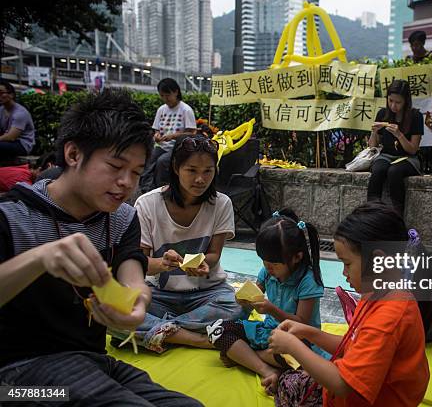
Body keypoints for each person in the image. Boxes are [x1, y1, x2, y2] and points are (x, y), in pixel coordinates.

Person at [0, 89, 202, 406]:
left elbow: (133, 276)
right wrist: (39, 258)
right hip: (16, 380)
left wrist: (137, 304)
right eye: (115, 166)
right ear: (73, 154)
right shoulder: (11, 216)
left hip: (94, 360)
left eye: (136, 172)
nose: (127, 183)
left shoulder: (121, 218)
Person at [268, 202, 430, 407]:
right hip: (356, 391)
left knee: (290, 388)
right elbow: (352, 346)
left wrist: (293, 346)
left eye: (347, 263)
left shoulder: (390, 315)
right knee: (287, 383)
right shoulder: (376, 293)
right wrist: (307, 332)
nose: (344, 273)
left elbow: (344, 384)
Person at [111, 134, 243, 353]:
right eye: (192, 170)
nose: (200, 179)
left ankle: (161, 330)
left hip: (206, 294)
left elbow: (214, 255)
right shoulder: (147, 204)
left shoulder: (221, 203)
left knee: (237, 307)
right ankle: (196, 338)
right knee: (114, 306)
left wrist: (203, 263)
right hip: (158, 294)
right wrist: (163, 263)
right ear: (175, 167)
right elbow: (139, 262)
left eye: (207, 171)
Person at [208, 209, 324, 395]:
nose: (268, 267)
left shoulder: (307, 281)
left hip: (296, 340)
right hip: (266, 334)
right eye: (264, 261)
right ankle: (267, 370)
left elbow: (301, 323)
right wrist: (243, 299)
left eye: (275, 264)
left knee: (295, 357)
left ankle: (243, 357)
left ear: (297, 257)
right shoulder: (268, 271)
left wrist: (271, 310)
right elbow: (254, 293)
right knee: (217, 330)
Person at [367, 79, 424, 214]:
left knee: (394, 172)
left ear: (406, 101)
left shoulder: (416, 116)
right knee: (378, 170)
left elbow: (413, 149)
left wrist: (399, 135)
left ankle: (397, 215)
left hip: (408, 158)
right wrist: (374, 132)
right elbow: (372, 146)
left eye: (398, 102)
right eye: (390, 100)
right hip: (386, 156)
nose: (393, 106)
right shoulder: (383, 114)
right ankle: (370, 211)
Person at [140, 78, 197, 192]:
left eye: (168, 95)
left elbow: (192, 133)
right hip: (161, 146)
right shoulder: (161, 110)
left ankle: (162, 189)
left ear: (176, 92)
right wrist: (156, 136)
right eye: (162, 96)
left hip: (179, 147)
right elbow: (156, 130)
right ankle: (146, 190)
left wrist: (173, 136)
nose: (165, 99)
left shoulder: (186, 110)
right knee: (148, 158)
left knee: (162, 161)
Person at [0, 79, 36, 160]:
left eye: (1, 93)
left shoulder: (20, 113)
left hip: (22, 144)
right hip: (7, 142)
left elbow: (11, 136)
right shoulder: (1, 110)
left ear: (11, 95)